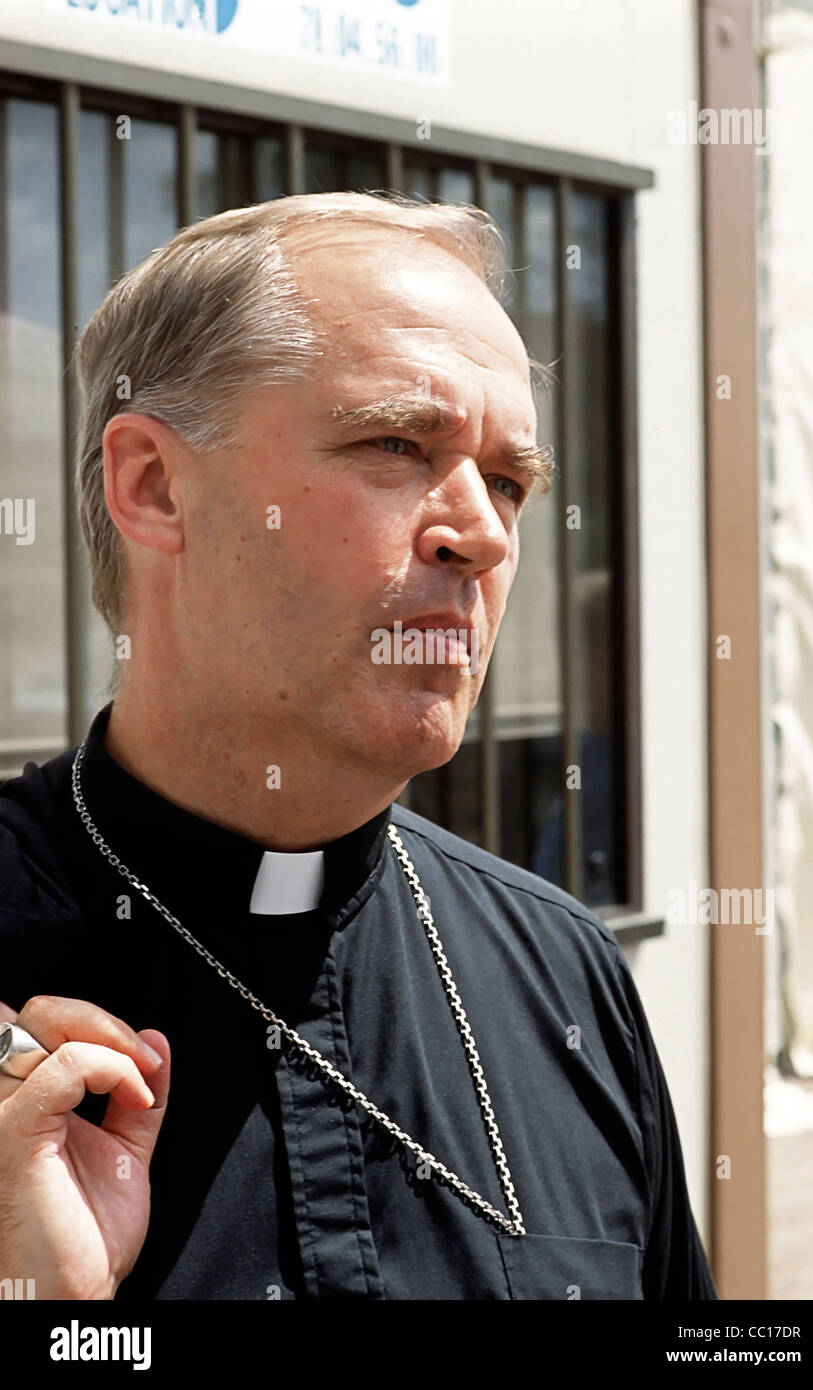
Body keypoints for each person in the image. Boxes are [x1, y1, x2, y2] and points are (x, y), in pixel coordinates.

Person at [0, 191, 716, 1301]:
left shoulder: (565, 973)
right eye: (395, 442)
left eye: (510, 483)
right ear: (152, 485)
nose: (479, 533)